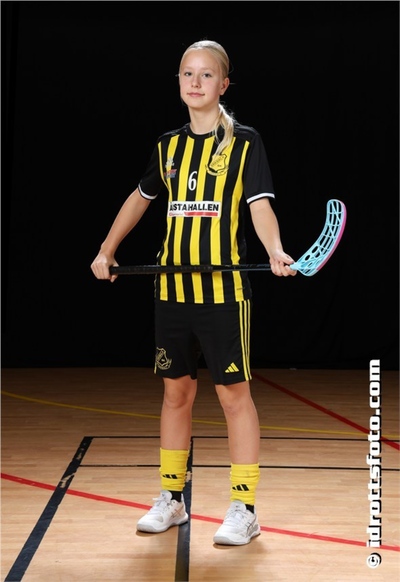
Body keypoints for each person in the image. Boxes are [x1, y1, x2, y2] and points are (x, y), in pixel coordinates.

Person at [91, 39, 296, 546]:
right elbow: (140, 198)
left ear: (223, 85)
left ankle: (244, 508)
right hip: (172, 290)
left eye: (206, 75)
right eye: (188, 73)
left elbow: (260, 205)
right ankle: (172, 498)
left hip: (224, 293)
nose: (196, 82)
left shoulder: (244, 142)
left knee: (233, 396)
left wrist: (275, 249)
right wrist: (107, 250)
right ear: (179, 82)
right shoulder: (168, 146)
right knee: (175, 393)